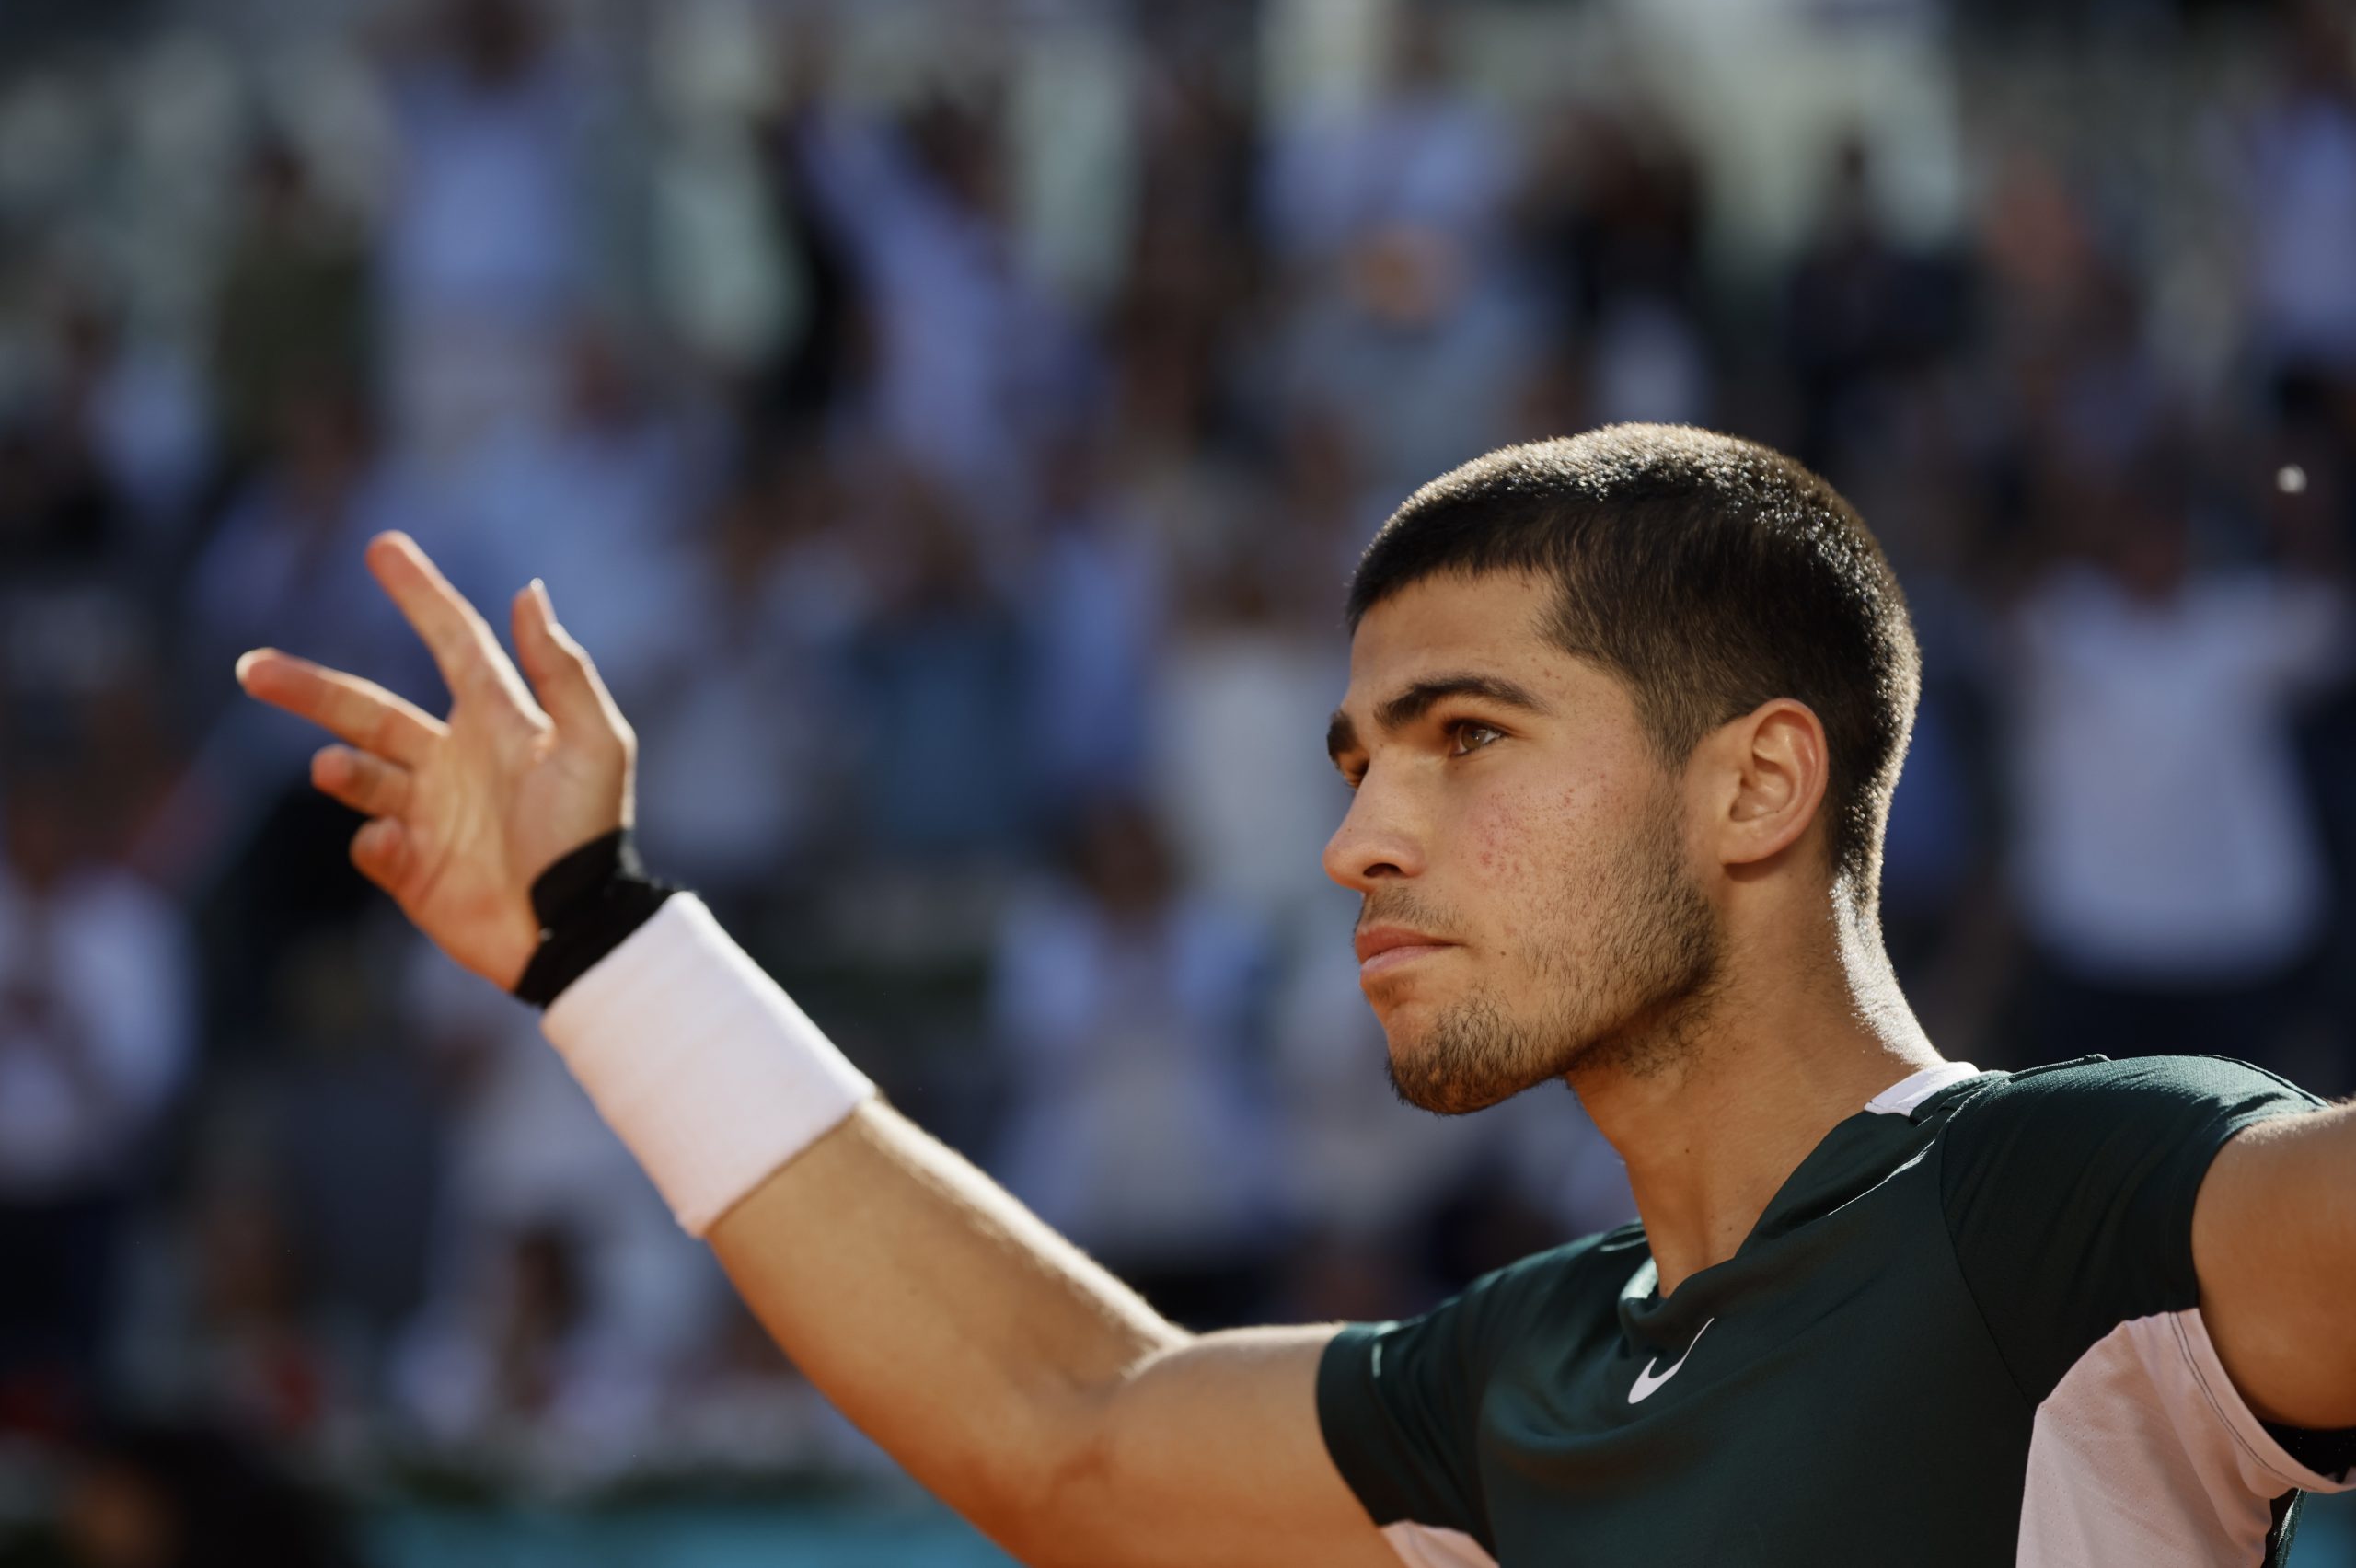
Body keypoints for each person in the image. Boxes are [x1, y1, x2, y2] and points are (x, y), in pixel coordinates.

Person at [232, 423, 2356, 1566]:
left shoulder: (2066, 1197)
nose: (1352, 839)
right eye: (1351, 761)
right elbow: (1060, 1430)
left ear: (1754, 783)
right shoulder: (1512, 1369)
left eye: (1465, 736)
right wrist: (594, 933)